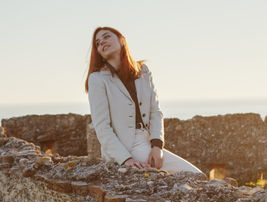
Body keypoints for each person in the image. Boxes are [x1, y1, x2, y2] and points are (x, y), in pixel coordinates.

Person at [85, 26, 202, 174]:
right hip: (125, 148)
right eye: (97, 43)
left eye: (106, 37)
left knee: (198, 176)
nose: (101, 42)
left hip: (147, 143)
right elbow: (102, 127)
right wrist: (126, 159)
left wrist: (157, 146)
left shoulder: (143, 71)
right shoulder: (97, 79)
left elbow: (155, 111)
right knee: (194, 177)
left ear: (122, 41)